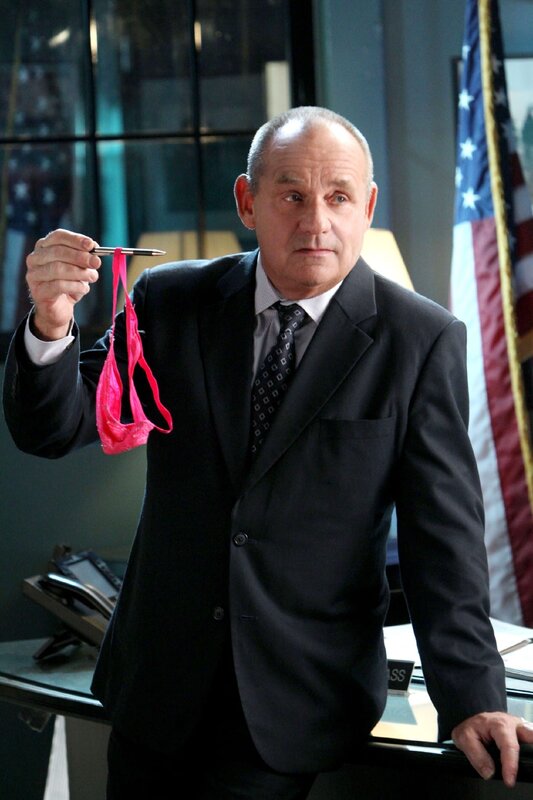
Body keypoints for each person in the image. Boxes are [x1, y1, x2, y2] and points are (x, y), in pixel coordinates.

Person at [3, 106, 533, 798]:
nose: (316, 222)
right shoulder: (169, 299)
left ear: (367, 207)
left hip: (297, 698)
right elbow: (54, 429)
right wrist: (50, 324)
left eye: (338, 197)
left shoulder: (420, 339)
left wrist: (473, 696)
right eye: (291, 195)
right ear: (247, 202)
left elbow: (444, 538)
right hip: (156, 689)